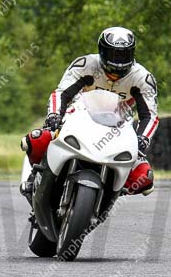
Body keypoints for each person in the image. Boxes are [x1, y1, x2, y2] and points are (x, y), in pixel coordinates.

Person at [22, 26, 159, 196]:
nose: (118, 61)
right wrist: (54, 115)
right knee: (35, 140)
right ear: (102, 50)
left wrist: (143, 139)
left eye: (124, 55)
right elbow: (61, 93)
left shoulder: (142, 78)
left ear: (132, 53)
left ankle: (111, 194)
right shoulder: (85, 64)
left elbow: (150, 116)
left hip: (118, 130)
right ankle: (34, 177)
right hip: (79, 118)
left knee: (145, 178)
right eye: (113, 54)